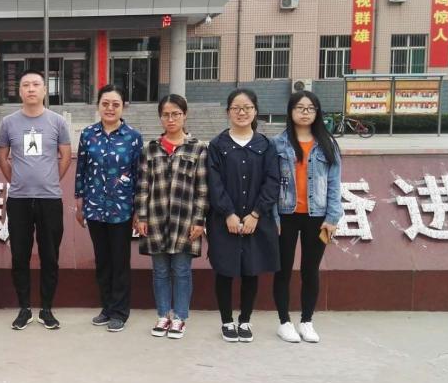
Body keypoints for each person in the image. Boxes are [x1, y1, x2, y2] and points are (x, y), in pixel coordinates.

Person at [0, 69, 72, 330]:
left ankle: (47, 309)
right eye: (26, 85)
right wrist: (16, 180)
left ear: (44, 90)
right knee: (20, 255)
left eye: (36, 84)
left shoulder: (57, 122)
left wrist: (50, 179)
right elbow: (2, 157)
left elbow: (65, 156)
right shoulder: (9, 123)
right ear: (19, 91)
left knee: (50, 256)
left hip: (49, 199)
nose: (31, 89)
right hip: (19, 200)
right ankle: (25, 308)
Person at [206, 88, 280, 343]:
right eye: (236, 108)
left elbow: (272, 182)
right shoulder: (217, 145)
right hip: (223, 220)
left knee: (251, 269)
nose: (241, 112)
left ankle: (245, 320)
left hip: (256, 221)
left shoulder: (265, 145)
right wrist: (228, 213)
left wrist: (256, 214)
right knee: (224, 270)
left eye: (247, 108)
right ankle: (227, 321)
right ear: (228, 112)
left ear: (255, 111)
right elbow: (214, 183)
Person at [135, 94, 208, 339]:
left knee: (181, 270)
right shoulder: (150, 149)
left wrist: (199, 220)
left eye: (176, 114)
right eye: (166, 114)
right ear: (160, 117)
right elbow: (143, 186)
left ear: (185, 115)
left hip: (185, 220)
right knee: (160, 271)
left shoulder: (197, 148)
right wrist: (141, 216)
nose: (171, 119)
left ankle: (180, 317)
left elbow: (202, 188)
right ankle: (163, 315)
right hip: (155, 219)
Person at [272, 91, 342, 343]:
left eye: (310, 108)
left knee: (310, 270)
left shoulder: (327, 144)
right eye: (300, 108)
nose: (305, 112)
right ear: (291, 111)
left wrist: (332, 217)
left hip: (318, 216)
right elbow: (271, 183)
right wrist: (273, 218)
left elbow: (334, 183)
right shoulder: (278, 144)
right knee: (283, 270)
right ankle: (284, 322)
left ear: (317, 113)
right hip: (286, 215)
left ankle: (307, 321)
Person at [74, 83, 143, 332]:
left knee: (119, 261)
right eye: (105, 104)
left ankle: (120, 312)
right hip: (94, 207)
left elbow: (139, 175)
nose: (110, 108)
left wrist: (138, 209)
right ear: (98, 106)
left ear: (123, 107)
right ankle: (106, 307)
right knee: (102, 261)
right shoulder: (88, 134)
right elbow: (81, 169)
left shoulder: (133, 137)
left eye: (115, 104)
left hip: (122, 209)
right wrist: (79, 200)